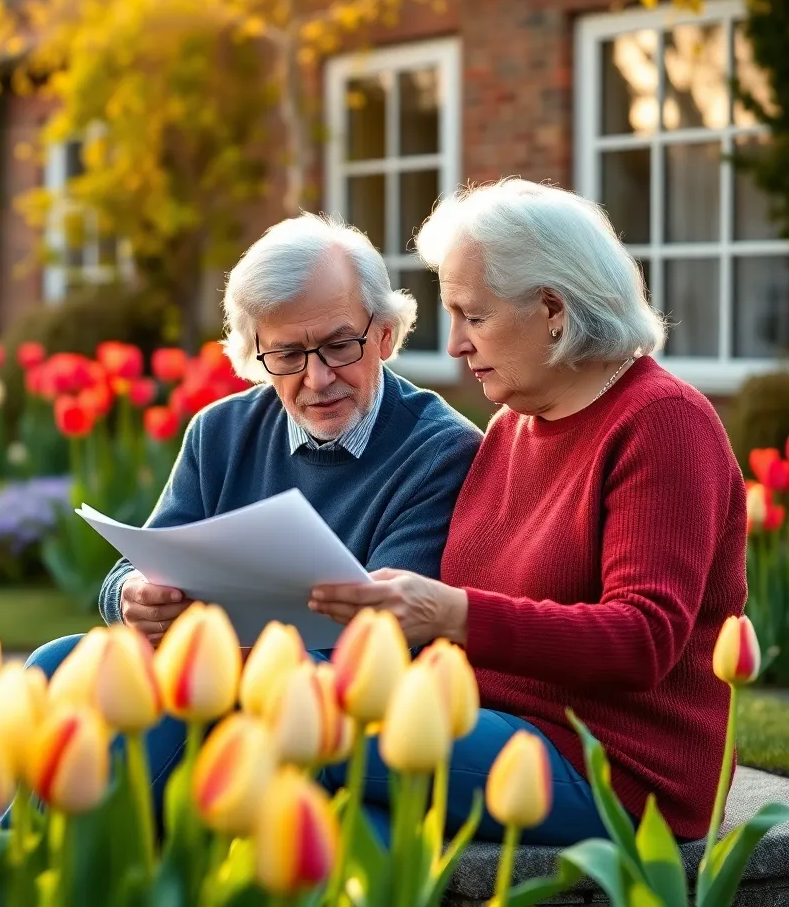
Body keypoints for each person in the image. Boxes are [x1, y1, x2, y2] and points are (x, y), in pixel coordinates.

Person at [310, 178, 747, 845]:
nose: (455, 344)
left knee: (300, 712)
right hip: (488, 726)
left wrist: (452, 613)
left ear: (552, 309)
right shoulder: (511, 430)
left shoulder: (662, 423)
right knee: (337, 819)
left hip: (614, 765)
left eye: (473, 316)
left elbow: (644, 637)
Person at [25, 211, 483, 803]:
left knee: (165, 694)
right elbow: (128, 569)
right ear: (255, 352)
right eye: (288, 355)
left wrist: (230, 655)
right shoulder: (220, 431)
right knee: (53, 662)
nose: (317, 379)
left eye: (339, 345)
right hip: (218, 674)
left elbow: (389, 642)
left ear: (386, 334)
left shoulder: (438, 450)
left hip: (327, 712)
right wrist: (134, 597)